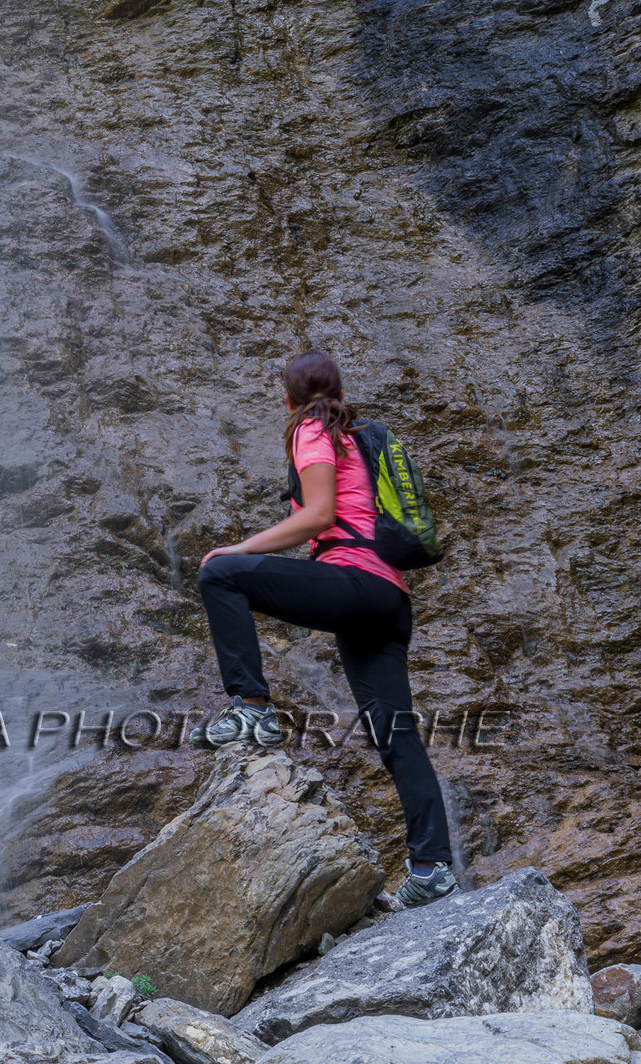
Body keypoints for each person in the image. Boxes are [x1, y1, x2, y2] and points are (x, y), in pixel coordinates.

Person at [196, 353, 458, 910]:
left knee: (220, 573)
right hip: (388, 599)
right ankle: (432, 867)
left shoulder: (312, 427)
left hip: (353, 583)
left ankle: (254, 710)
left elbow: (318, 515)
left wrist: (238, 548)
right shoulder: (357, 435)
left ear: (288, 398)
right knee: (396, 733)